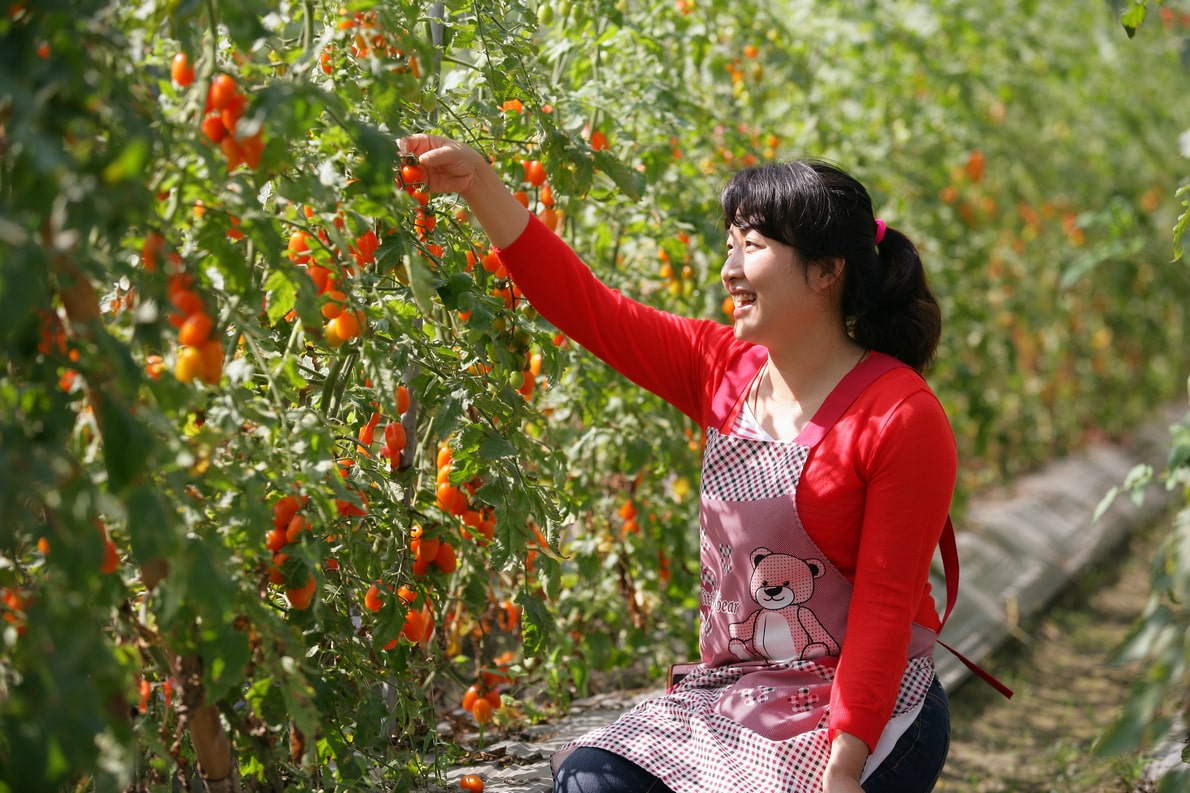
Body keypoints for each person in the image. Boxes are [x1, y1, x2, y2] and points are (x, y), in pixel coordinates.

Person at [402, 133, 957, 793]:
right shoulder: (719, 366)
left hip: (868, 707)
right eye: (730, 245)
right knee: (589, 780)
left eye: (752, 247)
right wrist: (478, 183)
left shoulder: (900, 416)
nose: (728, 270)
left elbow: (885, 607)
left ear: (827, 269)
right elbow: (586, 306)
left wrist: (841, 771)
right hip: (742, 694)